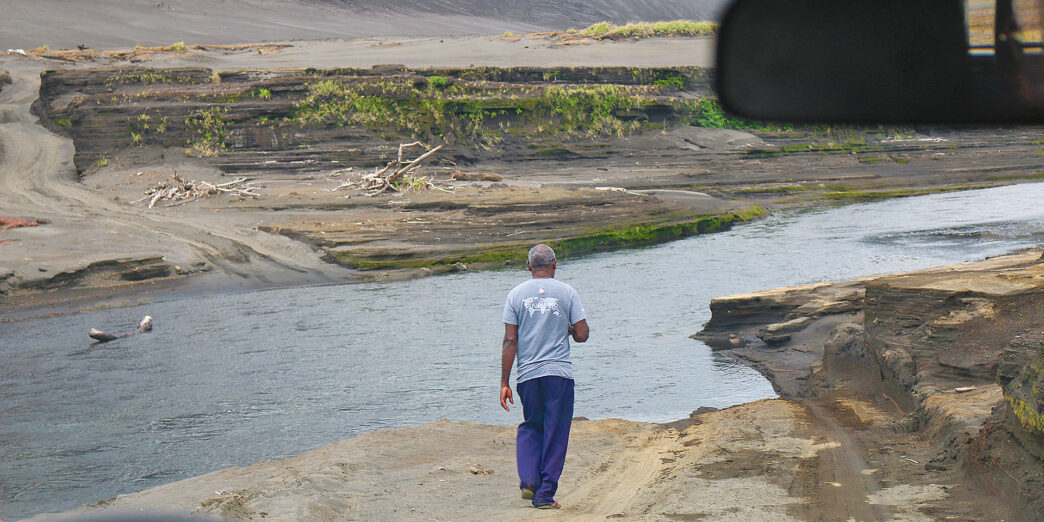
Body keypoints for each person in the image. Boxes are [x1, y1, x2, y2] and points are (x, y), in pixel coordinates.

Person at [499, 244, 589, 509]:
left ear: (528, 266)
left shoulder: (515, 295)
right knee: (556, 432)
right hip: (558, 375)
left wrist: (504, 382)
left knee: (531, 425)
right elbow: (582, 335)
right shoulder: (567, 292)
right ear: (555, 264)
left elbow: (509, 340)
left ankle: (529, 479)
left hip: (527, 376)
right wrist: (569, 329)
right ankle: (544, 494)